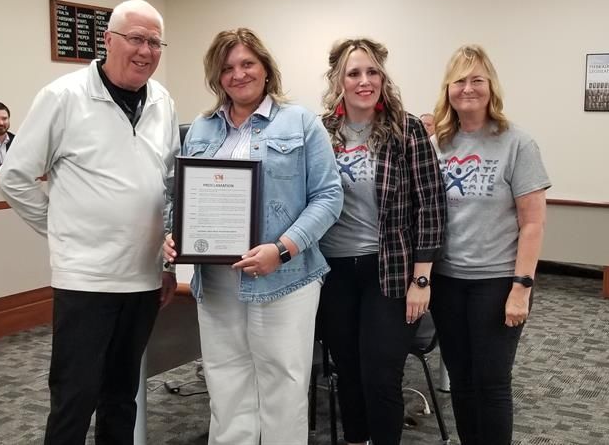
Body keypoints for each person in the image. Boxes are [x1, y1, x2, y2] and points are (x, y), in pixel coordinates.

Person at [0, 0, 179, 445]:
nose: (145, 50)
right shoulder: (64, 97)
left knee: (122, 395)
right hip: (86, 279)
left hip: (143, 278)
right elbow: (14, 177)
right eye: (135, 38)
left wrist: (169, 262)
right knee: (75, 396)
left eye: (155, 42)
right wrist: (60, 227)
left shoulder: (162, 101)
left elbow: (171, 184)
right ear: (109, 40)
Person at [162, 28, 342, 445]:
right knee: (225, 382)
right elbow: (180, 196)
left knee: (283, 383)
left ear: (265, 68)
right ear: (216, 76)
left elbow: (329, 197)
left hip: (285, 276)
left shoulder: (301, 122)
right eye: (227, 68)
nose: (238, 74)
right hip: (219, 281)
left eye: (247, 64)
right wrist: (175, 234)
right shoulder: (202, 129)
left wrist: (282, 249)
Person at [316, 38, 445, 445]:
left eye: (372, 72)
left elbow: (431, 205)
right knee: (348, 371)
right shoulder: (321, 132)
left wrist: (421, 279)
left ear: (383, 77)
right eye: (354, 73)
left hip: (388, 270)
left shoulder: (405, 129)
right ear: (339, 79)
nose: (364, 81)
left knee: (380, 374)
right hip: (333, 271)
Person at [430, 44, 550, 445]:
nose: (468, 88)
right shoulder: (438, 145)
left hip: (498, 282)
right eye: (460, 80)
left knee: (492, 382)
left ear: (491, 87)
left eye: (477, 79)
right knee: (461, 381)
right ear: (448, 88)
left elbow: (532, 222)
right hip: (448, 281)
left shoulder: (517, 143)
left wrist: (521, 287)